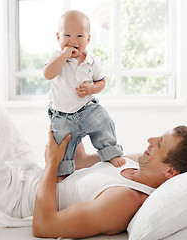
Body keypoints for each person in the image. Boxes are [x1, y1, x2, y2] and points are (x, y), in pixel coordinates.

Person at [0, 96, 187, 238]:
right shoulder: (128, 162)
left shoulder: (125, 199)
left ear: (171, 172)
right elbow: (85, 163)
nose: (151, 139)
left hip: (14, 197)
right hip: (31, 171)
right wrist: (76, 118)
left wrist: (51, 164)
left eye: (161, 144)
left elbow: (44, 226)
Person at [44, 10, 125, 178]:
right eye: (67, 35)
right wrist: (65, 55)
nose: (73, 40)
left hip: (88, 109)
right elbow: (48, 74)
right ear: (58, 37)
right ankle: (63, 170)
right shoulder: (57, 57)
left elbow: (101, 82)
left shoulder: (91, 61)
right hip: (63, 115)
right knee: (61, 143)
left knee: (104, 121)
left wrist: (91, 89)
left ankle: (110, 151)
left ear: (88, 39)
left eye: (79, 36)